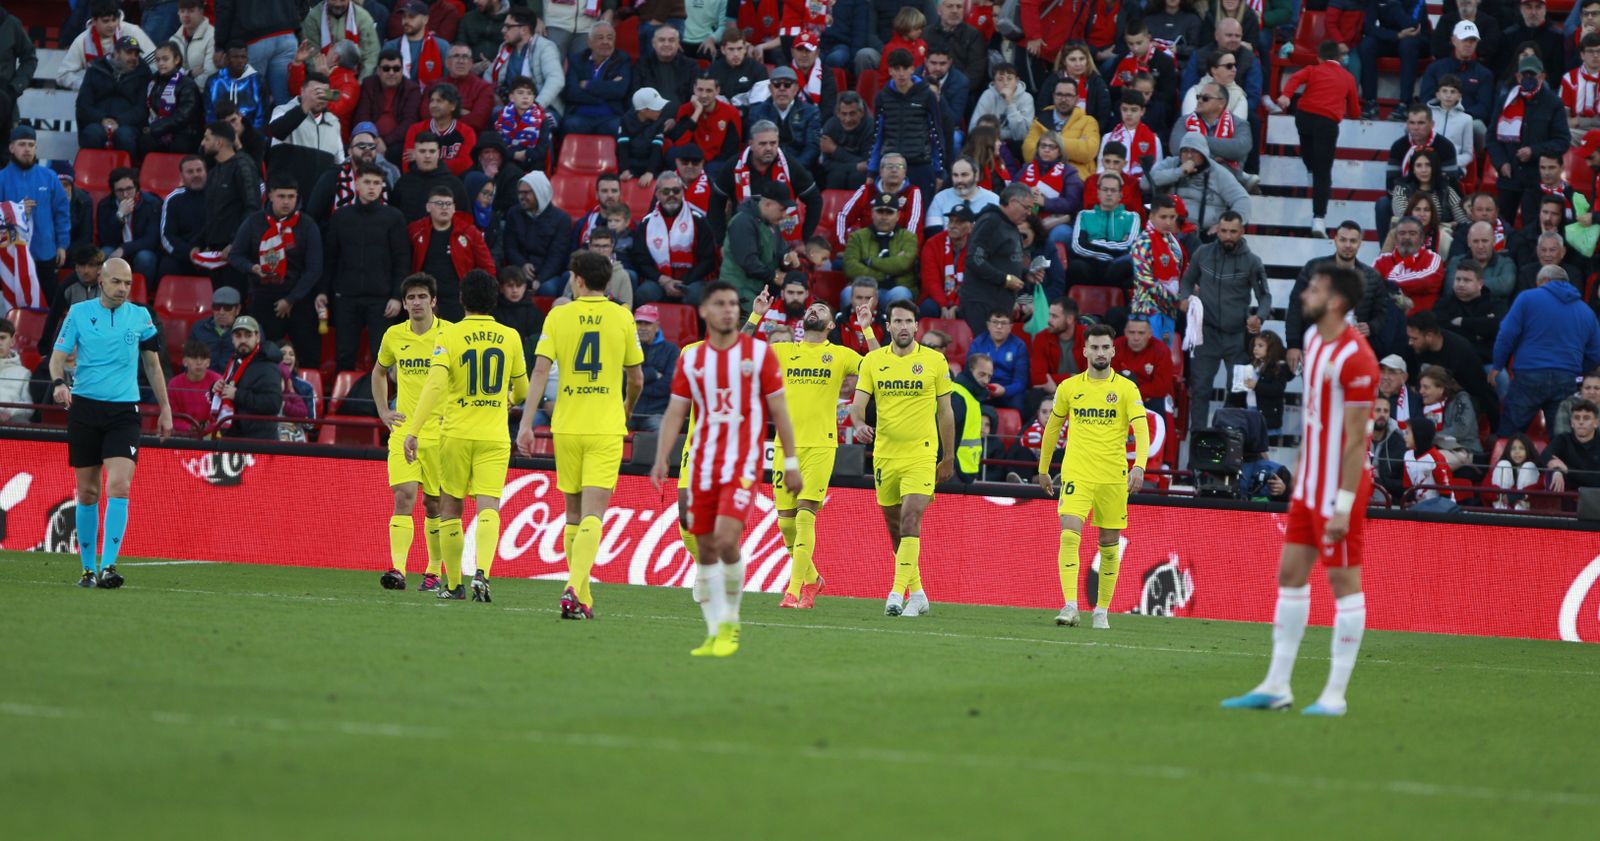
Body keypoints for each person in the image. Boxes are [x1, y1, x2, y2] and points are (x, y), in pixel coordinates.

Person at [1222, 264, 1378, 717]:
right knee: (1290, 574)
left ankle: (1334, 694)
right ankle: (1277, 686)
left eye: (1315, 288)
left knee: (1345, 584)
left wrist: (1344, 505)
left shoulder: (1358, 358)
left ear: (1335, 301)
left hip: (1340, 488)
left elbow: (1354, 439)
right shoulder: (1311, 341)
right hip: (1309, 485)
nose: (1305, 292)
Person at [648, 281, 801, 655]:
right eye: (720, 304)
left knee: (727, 539)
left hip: (742, 460)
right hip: (700, 458)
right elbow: (676, 410)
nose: (728, 310)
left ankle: (730, 623)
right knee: (701, 541)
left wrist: (792, 460)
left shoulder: (759, 355)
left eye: (734, 303)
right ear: (703, 311)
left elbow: (779, 410)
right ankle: (714, 630)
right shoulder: (692, 357)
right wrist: (660, 456)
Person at [511, 251, 643, 617]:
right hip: (604, 426)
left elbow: (539, 372)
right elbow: (636, 378)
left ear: (579, 280)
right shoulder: (622, 317)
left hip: (566, 426)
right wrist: (627, 408)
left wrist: (525, 424)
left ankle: (582, 597)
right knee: (593, 515)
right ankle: (574, 586)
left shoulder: (559, 315)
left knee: (572, 513)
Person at [402, 269, 529, 602]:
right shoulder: (511, 337)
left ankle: (455, 584)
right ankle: (483, 573)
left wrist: (413, 430)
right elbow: (524, 389)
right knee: (489, 506)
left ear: (461, 300)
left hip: (456, 433)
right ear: (495, 299)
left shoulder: (450, 336)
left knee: (450, 508)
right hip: (494, 435)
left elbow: (434, 385)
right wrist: (506, 399)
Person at [48, 257, 172, 588]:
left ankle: (109, 567)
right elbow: (57, 357)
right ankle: (87, 570)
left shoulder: (141, 316)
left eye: (128, 284)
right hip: (85, 409)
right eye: (117, 282)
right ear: (101, 282)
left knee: (120, 485)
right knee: (88, 492)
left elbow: (153, 366)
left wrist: (165, 408)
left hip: (123, 412)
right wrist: (59, 383)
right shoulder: (78, 313)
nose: (122, 289)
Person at [757, 298, 870, 608]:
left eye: (822, 309)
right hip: (785, 446)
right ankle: (813, 580)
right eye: (812, 308)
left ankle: (793, 591)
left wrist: (867, 328)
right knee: (785, 525)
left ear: (831, 325)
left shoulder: (840, 355)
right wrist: (756, 314)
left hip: (821, 444)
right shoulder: (783, 351)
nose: (814, 310)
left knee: (806, 516)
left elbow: (881, 365)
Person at [1034, 324, 1148, 629]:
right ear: (1084, 351)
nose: (1099, 352)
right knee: (1069, 533)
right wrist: (1044, 468)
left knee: (1109, 544)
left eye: (1104, 347)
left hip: (1112, 476)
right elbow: (1053, 429)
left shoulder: (1126, 389)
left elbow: (1141, 428)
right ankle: (1070, 605)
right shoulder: (1070, 387)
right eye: (1094, 347)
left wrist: (1139, 466)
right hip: (1077, 473)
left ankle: (1101, 610)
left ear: (1113, 350)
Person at [847, 299, 956, 618]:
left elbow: (946, 412)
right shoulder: (873, 361)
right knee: (896, 528)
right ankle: (918, 593)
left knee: (911, 517)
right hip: (885, 455)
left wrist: (948, 456)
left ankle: (895, 594)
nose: (904, 326)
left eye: (909, 321)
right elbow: (858, 405)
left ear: (917, 325)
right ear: (889, 326)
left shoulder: (935, 361)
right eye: (898, 321)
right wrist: (858, 424)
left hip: (921, 454)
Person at [370, 274, 450, 590]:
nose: (416, 302)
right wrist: (383, 411)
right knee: (403, 496)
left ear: (433, 301)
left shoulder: (450, 335)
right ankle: (398, 569)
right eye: (411, 298)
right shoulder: (393, 336)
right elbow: (378, 373)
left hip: (440, 434)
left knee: (435, 505)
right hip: (404, 432)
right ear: (404, 304)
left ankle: (433, 571)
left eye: (421, 297)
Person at [1180, 211, 1272, 429]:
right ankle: (1198, 444)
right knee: (1200, 388)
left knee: (1238, 390)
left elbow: (1265, 296)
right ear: (1216, 231)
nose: (1228, 236)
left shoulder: (1252, 262)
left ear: (1241, 232)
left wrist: (1259, 317)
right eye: (1224, 231)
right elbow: (1187, 280)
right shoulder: (1202, 253)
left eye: (1233, 232)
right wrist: (1184, 298)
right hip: (1206, 333)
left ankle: (1231, 442)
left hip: (1237, 337)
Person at [1494, 265, 1600, 436]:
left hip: (1528, 374)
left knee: (1509, 434)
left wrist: (1497, 365)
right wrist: (1575, 370)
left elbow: (1506, 334)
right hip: (1566, 378)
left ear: (1544, 281)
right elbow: (1596, 353)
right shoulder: (1586, 311)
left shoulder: (1527, 298)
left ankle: (1505, 462)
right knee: (1562, 437)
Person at [324, 162, 409, 371]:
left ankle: (379, 403)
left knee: (382, 357)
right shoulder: (340, 217)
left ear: (382, 187)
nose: (372, 187)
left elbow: (402, 259)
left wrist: (398, 297)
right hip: (346, 296)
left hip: (381, 298)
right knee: (344, 354)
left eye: (377, 183)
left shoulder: (394, 217)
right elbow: (330, 259)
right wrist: (323, 292)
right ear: (357, 185)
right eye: (367, 182)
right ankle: (344, 401)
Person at [230, 176, 323, 365]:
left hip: (299, 299)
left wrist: (290, 300)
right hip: (263, 297)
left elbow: (314, 268)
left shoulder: (307, 225)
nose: (287, 201)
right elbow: (235, 256)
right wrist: (252, 268)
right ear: (270, 195)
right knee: (263, 355)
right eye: (281, 196)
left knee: (308, 355)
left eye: (291, 196)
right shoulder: (254, 222)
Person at [1276, 40, 1360, 237]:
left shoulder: (1313, 69)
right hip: (1328, 124)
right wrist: (1354, 115)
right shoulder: (1348, 78)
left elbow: (1295, 79)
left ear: (1319, 58)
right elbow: (1355, 110)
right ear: (1340, 58)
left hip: (1304, 117)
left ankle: (1310, 170)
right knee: (1324, 172)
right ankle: (1319, 219)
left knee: (1308, 152)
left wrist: (1286, 95)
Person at [1490, 55, 1572, 226]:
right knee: (1503, 227)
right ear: (1518, 77)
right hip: (1509, 176)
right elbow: (1492, 138)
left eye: (1532, 75)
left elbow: (1562, 140)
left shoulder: (1553, 103)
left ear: (1542, 76)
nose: (1528, 79)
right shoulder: (1505, 101)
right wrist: (1501, 163)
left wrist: (1534, 151)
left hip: (1537, 180)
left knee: (1533, 229)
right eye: (1524, 75)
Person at [711, 121, 822, 246]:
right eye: (763, 144)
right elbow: (715, 203)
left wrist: (805, 238)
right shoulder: (734, 165)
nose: (769, 148)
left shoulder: (790, 165)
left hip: (784, 241)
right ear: (751, 144)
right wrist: (721, 241)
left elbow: (815, 200)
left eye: (773, 143)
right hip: (744, 239)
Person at [964, 183, 1042, 337]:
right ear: (1012, 202)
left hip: (1000, 304)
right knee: (983, 354)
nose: (1029, 213)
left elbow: (1003, 261)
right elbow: (974, 259)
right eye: (1026, 207)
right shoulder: (991, 221)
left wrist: (1026, 274)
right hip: (982, 303)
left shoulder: (1011, 225)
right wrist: (1005, 279)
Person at [407, 185, 494, 321]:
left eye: (448, 204)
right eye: (439, 203)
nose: (444, 207)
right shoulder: (415, 231)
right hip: (425, 299)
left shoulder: (469, 232)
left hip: (458, 299)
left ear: (454, 208)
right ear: (428, 207)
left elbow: (487, 266)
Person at [0, 128, 69, 300]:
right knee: (13, 303)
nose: (27, 149)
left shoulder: (49, 177)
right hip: (11, 253)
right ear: (11, 147)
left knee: (49, 304)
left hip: (44, 252)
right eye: (22, 144)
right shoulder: (1, 178)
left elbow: (61, 213)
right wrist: (16, 209)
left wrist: (62, 245)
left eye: (31, 145)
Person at [872, 48, 946, 199]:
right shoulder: (882, 97)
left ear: (913, 69)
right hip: (890, 165)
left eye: (905, 68)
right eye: (896, 69)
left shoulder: (927, 96)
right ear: (890, 70)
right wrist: (871, 170)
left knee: (921, 214)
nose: (901, 73)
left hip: (920, 164)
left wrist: (938, 171)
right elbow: (877, 135)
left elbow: (936, 134)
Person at [632, 172, 715, 305]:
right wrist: (663, 280)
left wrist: (683, 282)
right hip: (658, 280)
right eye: (666, 191)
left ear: (682, 192)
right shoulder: (646, 224)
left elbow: (708, 259)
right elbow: (641, 260)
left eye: (676, 191)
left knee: (697, 296)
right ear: (657, 194)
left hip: (691, 280)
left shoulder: (698, 220)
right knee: (644, 294)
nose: (671, 195)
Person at [1148, 132, 1252, 236]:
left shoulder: (1218, 172)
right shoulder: (1172, 163)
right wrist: (1179, 172)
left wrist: (1224, 225)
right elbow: (1145, 183)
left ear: (1204, 154)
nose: (1189, 155)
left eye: (1194, 151)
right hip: (1171, 228)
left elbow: (1242, 199)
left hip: (1206, 234)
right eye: (1185, 151)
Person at [721, 182, 802, 313]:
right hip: (739, 291)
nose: (784, 215)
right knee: (757, 325)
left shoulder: (771, 222)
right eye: (782, 209)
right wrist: (775, 277)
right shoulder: (742, 222)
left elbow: (781, 252)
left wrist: (788, 259)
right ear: (767, 205)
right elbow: (748, 262)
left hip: (762, 289)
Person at [75, 35, 151, 155]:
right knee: (92, 134)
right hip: (97, 122)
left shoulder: (143, 73)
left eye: (136, 54)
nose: (134, 58)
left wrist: (119, 122)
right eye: (129, 53)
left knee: (125, 136)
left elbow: (142, 109)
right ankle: (91, 173)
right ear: (116, 53)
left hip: (128, 124)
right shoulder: (95, 69)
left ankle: (128, 173)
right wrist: (102, 120)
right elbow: (83, 105)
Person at [57, 1, 155, 92]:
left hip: (130, 96)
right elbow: (63, 74)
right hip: (98, 100)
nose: (111, 25)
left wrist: (137, 83)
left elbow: (154, 63)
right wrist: (86, 85)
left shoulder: (132, 31)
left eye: (114, 20)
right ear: (94, 21)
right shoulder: (82, 40)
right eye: (106, 21)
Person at [1356, 0, 1429, 120]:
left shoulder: (1418, 1)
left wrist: (1393, 5)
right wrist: (1396, 35)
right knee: (1366, 45)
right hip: (1393, 38)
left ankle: (1405, 103)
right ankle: (1370, 101)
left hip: (1417, 41)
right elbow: (1368, 27)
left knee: (1408, 45)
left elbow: (1413, 26)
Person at [842, 193, 919, 304]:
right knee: (848, 293)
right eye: (880, 212)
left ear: (898, 215)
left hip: (896, 288)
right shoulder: (857, 237)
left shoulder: (908, 237)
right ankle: (848, 322)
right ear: (872, 213)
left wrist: (869, 262)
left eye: (889, 212)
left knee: (901, 294)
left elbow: (903, 264)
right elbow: (850, 267)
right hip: (864, 290)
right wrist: (885, 275)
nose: (884, 217)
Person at [562, 22, 633, 136]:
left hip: (611, 117)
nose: (605, 42)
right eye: (600, 38)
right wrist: (604, 93)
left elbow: (620, 90)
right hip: (580, 116)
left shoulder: (622, 59)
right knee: (570, 124)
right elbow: (570, 91)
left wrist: (587, 85)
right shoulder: (577, 60)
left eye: (610, 38)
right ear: (589, 42)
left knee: (618, 127)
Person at [748, 66, 823, 170]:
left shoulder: (810, 112)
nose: (782, 88)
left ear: (796, 88)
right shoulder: (757, 112)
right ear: (770, 88)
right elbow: (754, 145)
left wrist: (793, 169)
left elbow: (813, 148)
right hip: (767, 168)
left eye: (787, 85)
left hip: (800, 169)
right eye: (777, 84)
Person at [485, 7, 563, 107]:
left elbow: (556, 80)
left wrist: (536, 106)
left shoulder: (545, 47)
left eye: (508, 26)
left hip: (543, 106)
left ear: (524, 30)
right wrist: (494, 96)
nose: (503, 30)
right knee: (495, 114)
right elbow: (488, 75)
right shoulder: (505, 47)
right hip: (510, 105)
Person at [141, 42, 203, 157]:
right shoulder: (153, 82)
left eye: (165, 59)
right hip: (157, 129)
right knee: (145, 141)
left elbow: (184, 115)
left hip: (182, 132)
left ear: (176, 59)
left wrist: (155, 128)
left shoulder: (187, 84)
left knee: (179, 145)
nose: (160, 63)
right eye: (158, 60)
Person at [391, 131, 469, 220]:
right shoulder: (403, 183)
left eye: (432, 151)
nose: (427, 156)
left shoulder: (455, 184)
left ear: (438, 153)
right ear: (415, 153)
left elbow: (464, 220)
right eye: (422, 151)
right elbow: (393, 218)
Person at [403, 84, 477, 176]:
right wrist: (449, 163)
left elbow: (465, 164)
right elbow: (407, 164)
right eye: (432, 101)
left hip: (452, 183)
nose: (433, 105)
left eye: (439, 101)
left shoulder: (467, 132)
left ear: (453, 106)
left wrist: (424, 160)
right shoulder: (416, 129)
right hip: (421, 180)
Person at [1375, 216, 1444, 313]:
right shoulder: (1381, 261)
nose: (1407, 237)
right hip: (1387, 323)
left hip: (1420, 325)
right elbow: (1371, 286)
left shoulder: (1432, 258)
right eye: (1402, 233)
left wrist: (1389, 283)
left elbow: (1425, 282)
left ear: (1421, 239)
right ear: (1395, 238)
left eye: (1412, 233)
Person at [301, 0, 380, 79]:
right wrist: (321, 80)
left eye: (342, 0)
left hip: (355, 79)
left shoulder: (363, 18)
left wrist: (361, 84)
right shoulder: (314, 17)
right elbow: (311, 55)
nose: (338, 3)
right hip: (323, 78)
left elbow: (370, 57)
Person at [969, 310, 1029, 412]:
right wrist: (983, 387)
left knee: (1019, 405)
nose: (999, 327)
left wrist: (1005, 390)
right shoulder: (978, 343)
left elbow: (1021, 382)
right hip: (982, 387)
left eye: (1004, 323)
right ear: (988, 325)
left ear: (1011, 327)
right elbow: (970, 371)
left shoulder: (1019, 346)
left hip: (1008, 390)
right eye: (995, 322)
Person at [632, 304, 679, 431]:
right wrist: (653, 374)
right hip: (629, 411)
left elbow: (669, 385)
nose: (642, 328)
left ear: (657, 326)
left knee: (661, 431)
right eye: (638, 323)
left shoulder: (672, 351)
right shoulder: (626, 348)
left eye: (647, 324)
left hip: (657, 414)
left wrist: (637, 384)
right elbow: (619, 381)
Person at [384, 0, 450, 86]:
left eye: (411, 17)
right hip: (400, 97)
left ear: (425, 19)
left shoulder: (442, 47)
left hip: (432, 97)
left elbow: (448, 80)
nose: (406, 21)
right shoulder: (391, 46)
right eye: (404, 17)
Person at [819, 91, 874, 191]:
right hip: (836, 176)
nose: (848, 119)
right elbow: (826, 164)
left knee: (857, 177)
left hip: (860, 177)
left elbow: (868, 165)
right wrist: (856, 166)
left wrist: (835, 150)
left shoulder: (871, 127)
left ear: (861, 112)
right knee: (836, 176)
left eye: (852, 113)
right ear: (838, 113)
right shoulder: (830, 126)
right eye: (844, 114)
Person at [1544, 400, 1600, 494]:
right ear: (1572, 422)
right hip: (1567, 496)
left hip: (1596, 498)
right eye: (1577, 418)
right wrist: (1557, 470)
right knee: (1552, 473)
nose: (1581, 422)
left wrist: (1567, 470)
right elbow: (1545, 455)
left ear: (1596, 423)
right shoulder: (1563, 439)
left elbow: (1596, 481)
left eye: (1586, 418)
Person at [188, 287, 243, 372]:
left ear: (237, 310)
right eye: (217, 307)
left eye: (227, 308)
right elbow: (189, 360)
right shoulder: (198, 329)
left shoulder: (247, 331)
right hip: (204, 379)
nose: (221, 312)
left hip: (236, 380)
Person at [170, 0, 217, 88]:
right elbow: (169, 73)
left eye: (191, 11)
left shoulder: (212, 36)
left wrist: (185, 90)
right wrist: (190, 74)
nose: (186, 15)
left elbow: (209, 74)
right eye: (182, 11)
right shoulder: (174, 40)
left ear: (201, 11)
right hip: (178, 94)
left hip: (203, 94)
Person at [1492, 432, 1543, 510]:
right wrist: (1500, 496)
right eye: (1513, 448)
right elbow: (1486, 487)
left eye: (1521, 448)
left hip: (1527, 506)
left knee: (1529, 466)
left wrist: (1518, 496)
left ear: (1528, 450)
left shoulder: (1535, 466)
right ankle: (1502, 507)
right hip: (1502, 505)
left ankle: (1521, 507)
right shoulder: (1502, 464)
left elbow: (1542, 485)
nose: (1517, 452)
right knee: (1503, 464)